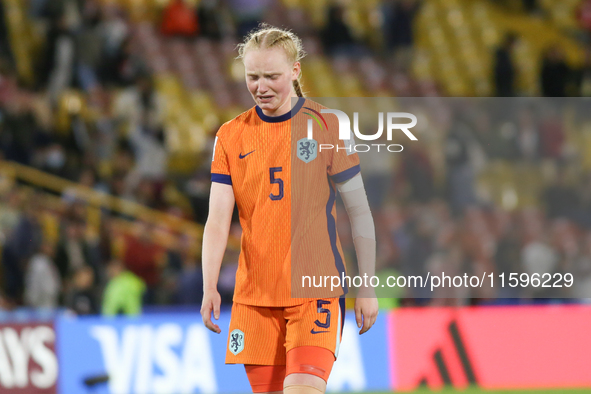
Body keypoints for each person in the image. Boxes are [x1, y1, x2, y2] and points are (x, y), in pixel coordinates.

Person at [200, 25, 378, 393]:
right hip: (255, 298)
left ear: (295, 72)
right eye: (253, 77)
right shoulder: (230, 136)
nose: (261, 86)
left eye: (271, 76)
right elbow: (217, 220)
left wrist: (367, 284)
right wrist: (209, 285)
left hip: (315, 292)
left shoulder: (328, 126)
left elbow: (359, 211)